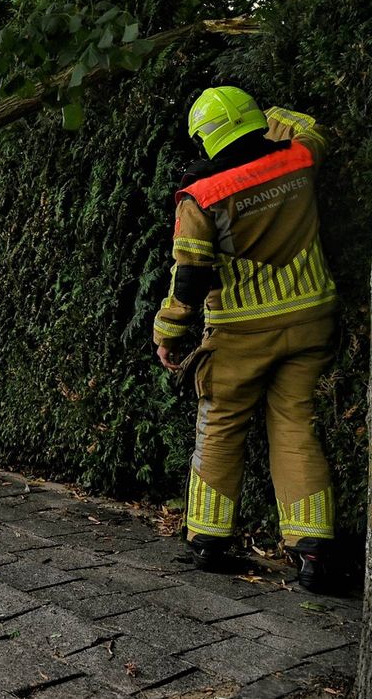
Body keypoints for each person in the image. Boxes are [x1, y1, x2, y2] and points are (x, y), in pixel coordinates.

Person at [153, 86, 338, 591]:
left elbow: (189, 275)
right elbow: (312, 127)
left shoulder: (203, 195)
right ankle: (313, 553)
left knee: (220, 426)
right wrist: (274, 112)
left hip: (240, 331)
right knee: (297, 426)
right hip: (310, 320)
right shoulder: (299, 159)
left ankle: (208, 542)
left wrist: (168, 331)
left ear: (204, 139)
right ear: (253, 120)